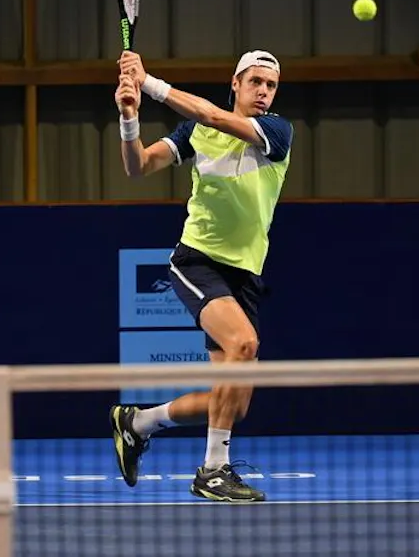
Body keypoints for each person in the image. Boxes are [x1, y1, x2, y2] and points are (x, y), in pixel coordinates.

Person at [108, 49, 293, 503]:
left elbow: (212, 114)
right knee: (243, 343)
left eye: (270, 85)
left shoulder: (277, 131)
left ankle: (138, 422)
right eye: (255, 82)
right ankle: (212, 471)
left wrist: (150, 83)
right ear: (236, 83)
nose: (263, 92)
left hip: (245, 276)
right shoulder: (195, 132)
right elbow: (138, 166)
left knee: (232, 403)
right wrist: (129, 117)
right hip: (198, 262)